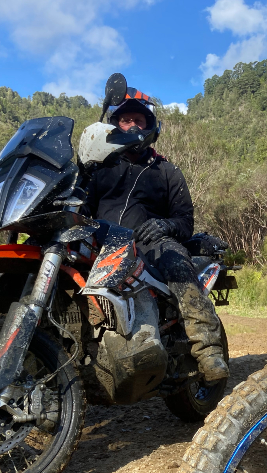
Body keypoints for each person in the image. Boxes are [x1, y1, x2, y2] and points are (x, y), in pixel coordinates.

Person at [82, 87, 229, 382]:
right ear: (114, 125)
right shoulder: (99, 168)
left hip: (151, 243)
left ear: (150, 127)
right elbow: (82, 205)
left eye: (139, 120)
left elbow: (185, 220)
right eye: (126, 120)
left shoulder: (167, 170)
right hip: (103, 241)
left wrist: (165, 226)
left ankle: (209, 351)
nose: (132, 125)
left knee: (176, 262)